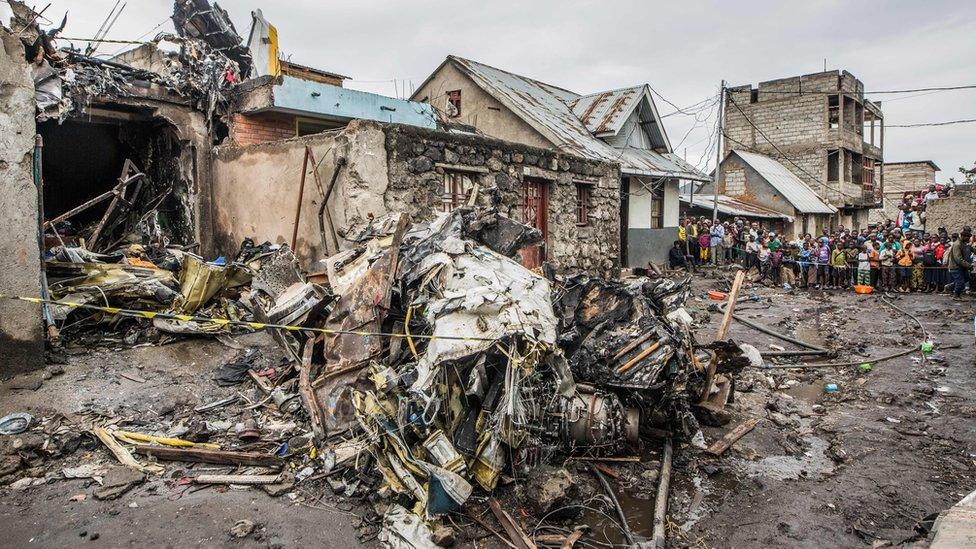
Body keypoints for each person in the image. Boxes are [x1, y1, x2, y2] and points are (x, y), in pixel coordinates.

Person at [947, 226, 973, 299]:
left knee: (966, 278)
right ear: (963, 236)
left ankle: (951, 286)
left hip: (961, 267)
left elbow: (972, 250)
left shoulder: (964, 244)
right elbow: (958, 259)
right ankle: (956, 296)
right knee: (960, 283)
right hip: (956, 266)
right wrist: (968, 265)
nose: (969, 239)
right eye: (968, 237)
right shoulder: (957, 244)